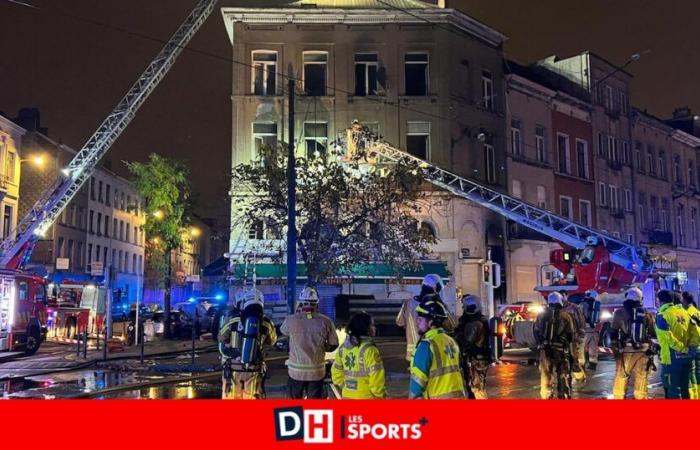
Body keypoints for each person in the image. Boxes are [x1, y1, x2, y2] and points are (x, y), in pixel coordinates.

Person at [217, 289, 277, 399]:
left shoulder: (233, 320)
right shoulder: (266, 323)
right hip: (255, 368)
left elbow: (221, 337)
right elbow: (272, 341)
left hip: (234, 369)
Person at [281, 286, 339, 399]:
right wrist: (322, 347)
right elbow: (333, 344)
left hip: (295, 373)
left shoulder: (291, 320)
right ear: (317, 303)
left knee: (293, 405)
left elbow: (283, 332)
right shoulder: (326, 321)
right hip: (317, 372)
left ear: (300, 303)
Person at [409, 299, 465, 399]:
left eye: (420, 320)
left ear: (431, 323)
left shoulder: (426, 346)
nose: (417, 323)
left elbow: (417, 384)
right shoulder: (451, 341)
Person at [396, 274, 456, 362]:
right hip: (432, 352)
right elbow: (451, 325)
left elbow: (399, 322)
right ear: (436, 288)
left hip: (412, 354)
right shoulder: (438, 305)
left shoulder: (408, 304)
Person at [609, 287, 655, 399]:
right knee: (642, 377)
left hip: (627, 350)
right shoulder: (647, 313)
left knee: (621, 375)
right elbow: (653, 333)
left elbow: (613, 332)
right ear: (640, 299)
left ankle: (618, 397)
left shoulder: (619, 313)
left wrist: (615, 348)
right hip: (644, 350)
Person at [331, 312, 386, 399]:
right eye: (372, 325)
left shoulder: (343, 348)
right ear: (365, 328)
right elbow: (376, 379)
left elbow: (336, 373)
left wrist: (346, 387)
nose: (374, 328)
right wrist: (380, 396)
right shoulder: (370, 350)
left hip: (347, 397)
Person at [655, 289, 697, 399]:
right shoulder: (685, 312)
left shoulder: (662, 316)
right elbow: (696, 333)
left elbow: (669, 339)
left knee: (673, 391)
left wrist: (683, 349)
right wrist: (691, 348)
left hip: (671, 359)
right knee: (685, 389)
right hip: (687, 358)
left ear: (660, 301)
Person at [534, 292, 575, 399]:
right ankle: (563, 396)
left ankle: (546, 396)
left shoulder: (541, 316)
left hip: (545, 350)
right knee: (562, 374)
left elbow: (536, 331)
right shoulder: (566, 316)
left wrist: (541, 343)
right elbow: (571, 334)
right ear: (559, 301)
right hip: (560, 351)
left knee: (546, 375)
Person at [454, 294, 490, 399]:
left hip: (475, 362)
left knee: (477, 389)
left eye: (463, 307)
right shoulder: (481, 320)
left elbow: (466, 343)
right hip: (479, 361)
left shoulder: (473, 324)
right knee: (476, 388)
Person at [561, 291, 587, 383]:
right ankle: (567, 379)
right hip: (562, 338)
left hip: (573, 338)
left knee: (576, 358)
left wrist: (581, 335)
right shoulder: (556, 308)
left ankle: (579, 376)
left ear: (566, 296)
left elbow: (580, 321)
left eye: (563, 295)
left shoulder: (574, 308)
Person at [681, 291, 700, 399]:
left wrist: (692, 346)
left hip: (694, 347)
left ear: (684, 300)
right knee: (697, 373)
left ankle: (693, 397)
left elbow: (696, 331)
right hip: (698, 346)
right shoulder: (696, 311)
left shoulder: (689, 312)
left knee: (691, 374)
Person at [580, 289, 601, 371]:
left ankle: (581, 365)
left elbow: (580, 315)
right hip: (594, 329)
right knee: (593, 347)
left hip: (585, 329)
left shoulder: (583, 304)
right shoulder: (597, 305)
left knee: (581, 347)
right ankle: (593, 364)